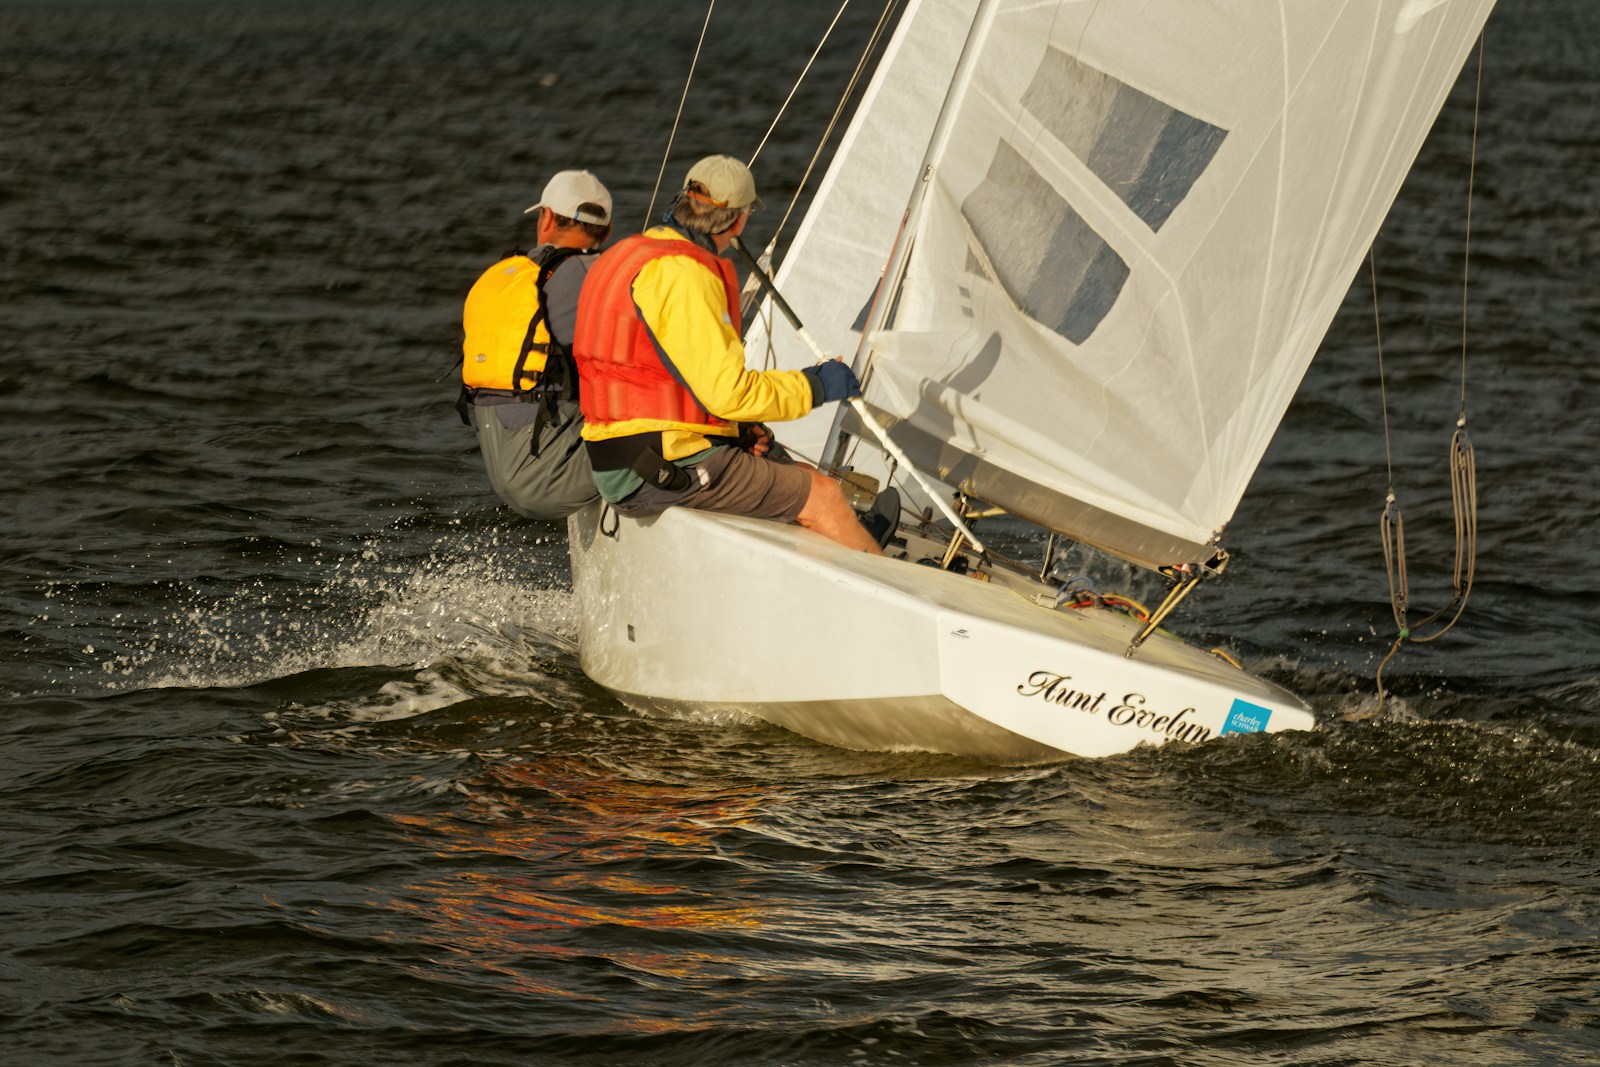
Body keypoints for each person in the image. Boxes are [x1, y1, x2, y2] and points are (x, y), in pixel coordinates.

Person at [572, 155, 881, 554]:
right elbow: (728, 393)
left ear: (683, 199)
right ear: (737, 221)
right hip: (656, 468)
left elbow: (654, 370)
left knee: (795, 473)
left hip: (618, 457)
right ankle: (898, 598)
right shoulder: (683, 274)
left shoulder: (626, 254)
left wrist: (733, 430)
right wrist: (815, 386)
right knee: (823, 496)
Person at [459, 169, 612, 520]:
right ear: (607, 231)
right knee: (688, 443)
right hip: (551, 475)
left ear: (545, 219)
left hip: (503, 470)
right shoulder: (599, 274)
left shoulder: (512, 277)